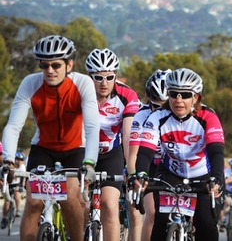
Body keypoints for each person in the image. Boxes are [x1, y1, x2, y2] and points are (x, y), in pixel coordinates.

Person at [1, 35, 99, 241]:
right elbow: (13, 126)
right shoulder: (31, 83)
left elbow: (91, 127)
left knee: (69, 196)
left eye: (56, 65)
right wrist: (8, 159)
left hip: (75, 148)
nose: (50, 71)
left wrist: (90, 163)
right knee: (34, 201)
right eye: (44, 65)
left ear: (69, 65)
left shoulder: (83, 83)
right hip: (43, 147)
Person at [134, 67, 225, 241]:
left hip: (203, 176)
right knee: (160, 221)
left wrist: (217, 178)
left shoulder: (208, 117)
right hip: (171, 173)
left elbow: (216, 152)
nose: (178, 100)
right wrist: (141, 174)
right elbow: (145, 152)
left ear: (196, 97)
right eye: (174, 94)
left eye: (185, 95)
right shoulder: (157, 117)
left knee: (205, 223)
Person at [85, 48, 140, 241]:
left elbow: (128, 136)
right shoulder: (79, 92)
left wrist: (132, 171)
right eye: (98, 77)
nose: (104, 83)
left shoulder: (127, 96)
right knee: (79, 203)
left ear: (116, 75)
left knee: (109, 204)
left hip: (111, 153)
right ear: (89, 76)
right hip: (82, 152)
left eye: (109, 77)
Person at [127, 68, 171, 241]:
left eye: (164, 106)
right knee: (152, 213)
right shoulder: (142, 114)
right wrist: (133, 177)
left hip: (173, 165)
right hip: (150, 165)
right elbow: (133, 155)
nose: (160, 111)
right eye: (156, 105)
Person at [1, 151, 27, 228]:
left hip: (17, 184)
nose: (18, 161)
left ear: (22, 161)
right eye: (16, 159)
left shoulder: (22, 167)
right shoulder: (9, 165)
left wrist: (21, 187)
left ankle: (18, 210)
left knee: (17, 194)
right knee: (7, 202)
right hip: (8, 183)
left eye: (20, 160)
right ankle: (4, 218)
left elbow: (22, 177)